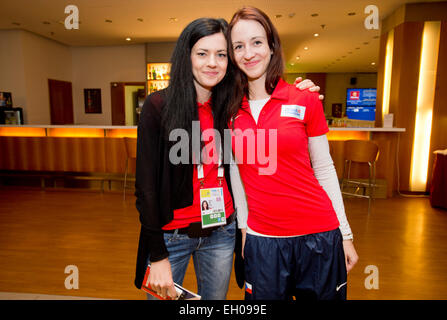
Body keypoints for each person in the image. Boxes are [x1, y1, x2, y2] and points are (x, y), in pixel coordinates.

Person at [133, 17, 321, 300]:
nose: (212, 63)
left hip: (221, 232)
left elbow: (272, 100)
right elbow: (145, 188)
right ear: (187, 57)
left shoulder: (233, 103)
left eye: (221, 54)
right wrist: (157, 254)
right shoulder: (159, 106)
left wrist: (303, 91)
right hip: (171, 237)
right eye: (202, 53)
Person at [226, 7, 359, 300]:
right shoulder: (231, 110)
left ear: (272, 46)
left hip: (319, 236)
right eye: (239, 46)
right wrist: (245, 229)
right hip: (264, 241)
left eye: (257, 42)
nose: (249, 53)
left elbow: (324, 168)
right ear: (232, 55)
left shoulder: (305, 98)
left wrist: (345, 234)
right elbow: (236, 171)